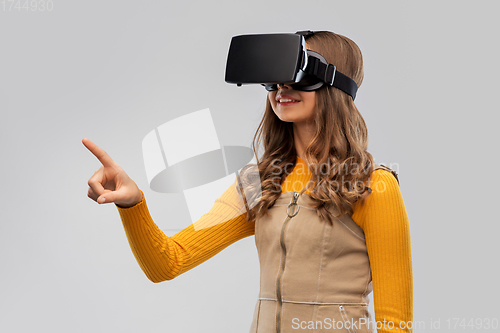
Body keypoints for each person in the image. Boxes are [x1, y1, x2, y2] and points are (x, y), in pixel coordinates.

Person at [83, 31, 412, 333]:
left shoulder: (372, 186)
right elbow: (168, 262)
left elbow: (395, 324)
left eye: (297, 75)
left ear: (333, 83)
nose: (282, 88)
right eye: (275, 79)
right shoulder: (259, 183)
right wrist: (133, 203)